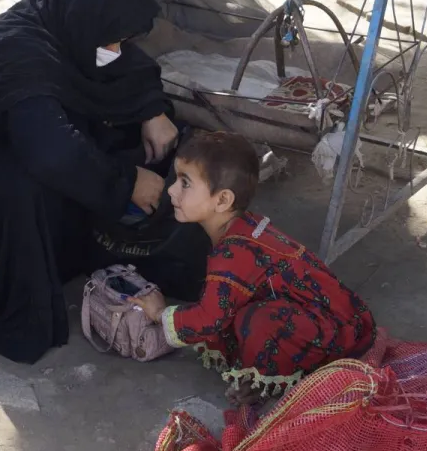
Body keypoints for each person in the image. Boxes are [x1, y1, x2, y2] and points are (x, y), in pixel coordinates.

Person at [0, 0, 210, 365]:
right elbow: (52, 153)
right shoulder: (19, 49)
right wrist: (128, 182)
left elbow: (127, 69)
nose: (115, 48)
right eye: (111, 40)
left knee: (110, 130)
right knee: (24, 181)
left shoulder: (66, 25)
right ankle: (6, 286)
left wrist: (151, 111)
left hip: (14, 149)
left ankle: (76, 250)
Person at [130, 132, 377, 403]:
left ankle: (272, 380)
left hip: (338, 334)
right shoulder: (246, 227)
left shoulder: (233, 254)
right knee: (230, 306)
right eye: (176, 179)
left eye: (185, 182)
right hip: (338, 317)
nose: (171, 190)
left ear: (222, 201)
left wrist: (159, 312)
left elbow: (208, 318)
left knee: (250, 319)